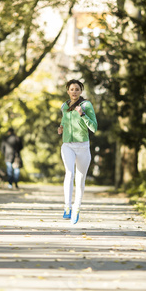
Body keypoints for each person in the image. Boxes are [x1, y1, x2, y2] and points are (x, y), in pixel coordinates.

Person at [58, 79, 98, 224]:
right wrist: (61, 127)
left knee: (80, 180)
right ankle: (67, 207)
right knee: (69, 173)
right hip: (67, 145)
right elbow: (64, 120)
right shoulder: (64, 106)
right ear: (67, 91)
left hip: (83, 146)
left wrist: (82, 114)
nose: (74, 91)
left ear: (81, 91)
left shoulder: (86, 105)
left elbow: (94, 127)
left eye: (77, 89)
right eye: (71, 89)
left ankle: (77, 208)